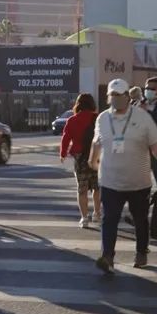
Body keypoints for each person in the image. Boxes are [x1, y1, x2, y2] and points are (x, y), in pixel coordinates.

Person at [88, 79, 157, 273]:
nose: (116, 99)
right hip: (110, 180)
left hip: (138, 182)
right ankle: (107, 256)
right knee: (109, 219)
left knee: (140, 219)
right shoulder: (102, 118)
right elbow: (97, 141)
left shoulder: (142, 117)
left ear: (128, 96)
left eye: (119, 95)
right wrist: (92, 160)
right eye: (112, 95)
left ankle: (141, 251)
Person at [59, 93, 101, 228]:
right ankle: (97, 213)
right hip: (96, 156)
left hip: (80, 158)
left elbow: (66, 138)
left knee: (82, 189)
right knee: (97, 187)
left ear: (78, 104)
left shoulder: (72, 120)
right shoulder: (97, 118)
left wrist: (63, 153)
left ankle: (84, 218)